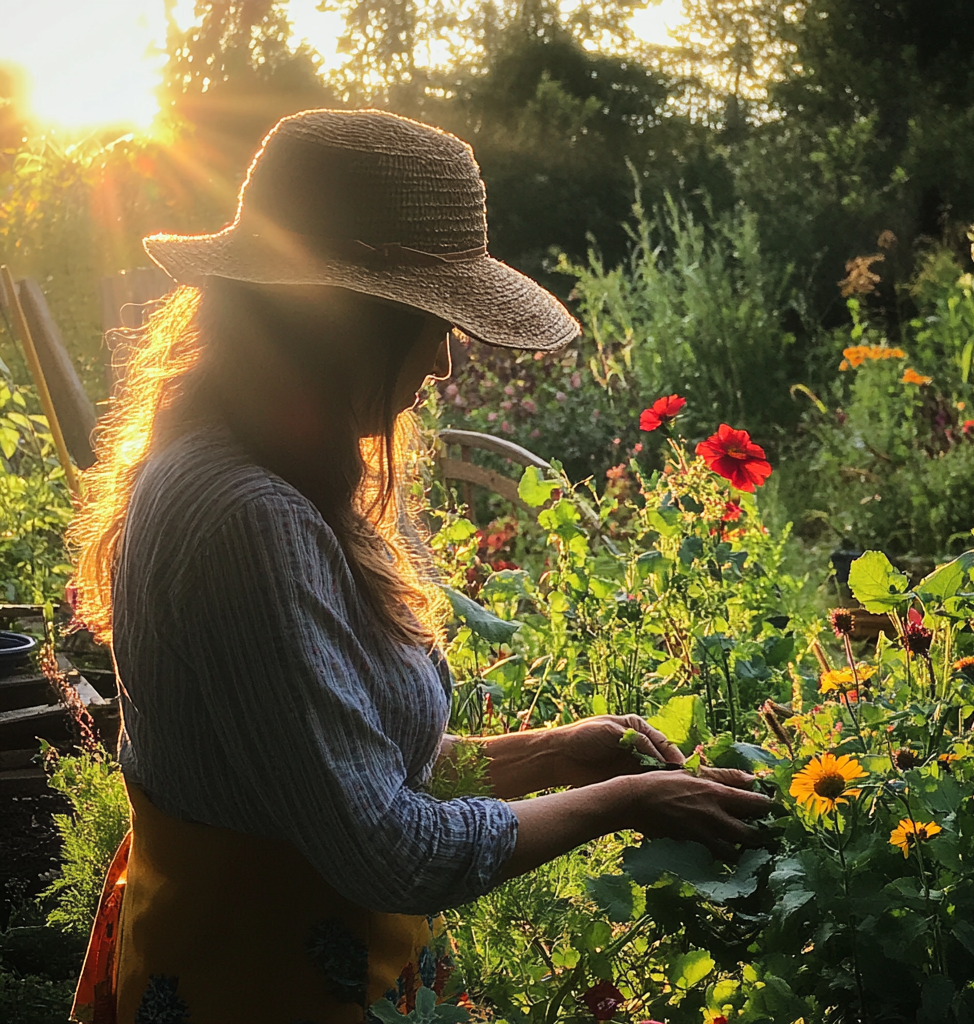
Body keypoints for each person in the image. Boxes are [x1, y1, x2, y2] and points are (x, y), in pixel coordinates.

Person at [68, 108, 769, 1024]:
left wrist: (566, 749)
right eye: (431, 322)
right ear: (340, 325)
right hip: (263, 984)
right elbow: (384, 847)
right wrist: (624, 802)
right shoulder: (250, 518)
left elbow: (349, 771)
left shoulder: (241, 464)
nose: (443, 360)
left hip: (251, 955)